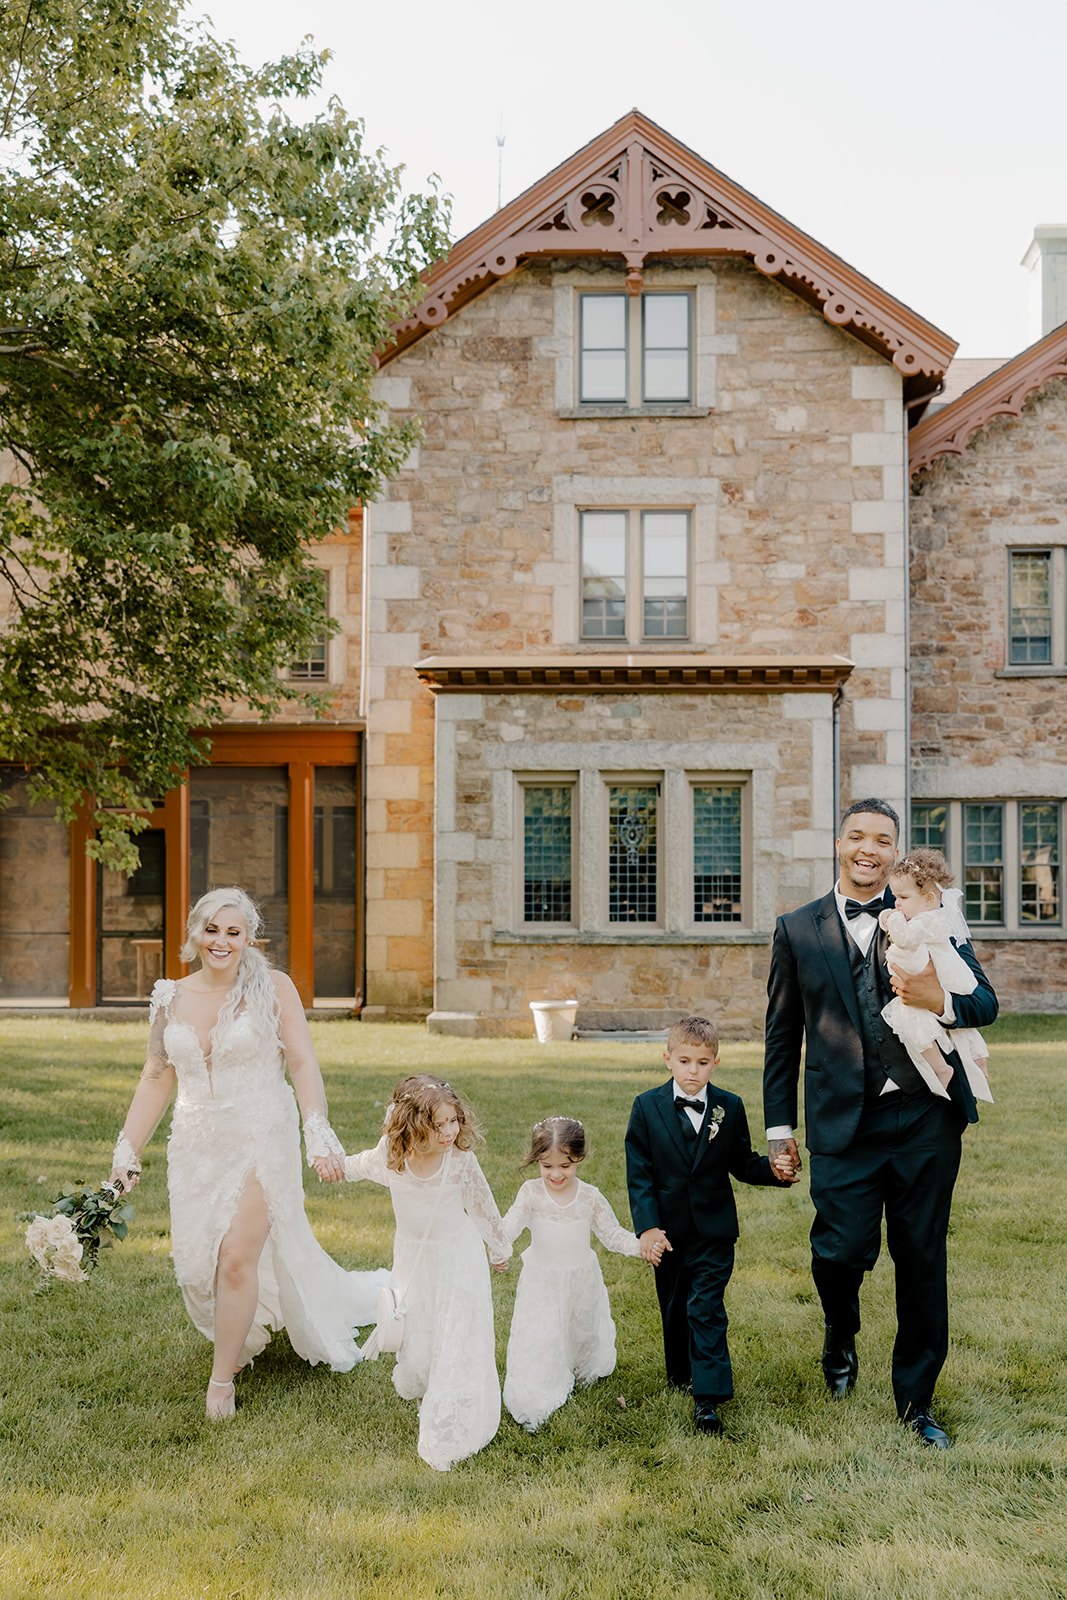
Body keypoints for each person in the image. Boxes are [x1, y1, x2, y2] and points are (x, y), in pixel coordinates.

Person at [762, 799, 998, 1449]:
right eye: (857, 836)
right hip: (843, 1123)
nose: (869, 848)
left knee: (921, 1258)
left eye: (883, 839)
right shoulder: (796, 929)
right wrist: (778, 1130)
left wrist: (939, 1001)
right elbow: (781, 1038)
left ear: (896, 851)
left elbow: (983, 1001)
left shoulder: (931, 911)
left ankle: (915, 1402)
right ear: (838, 844)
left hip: (925, 1114)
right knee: (837, 1254)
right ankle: (840, 1333)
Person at [108, 887, 387, 1421]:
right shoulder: (169, 997)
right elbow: (156, 1076)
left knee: (236, 1258)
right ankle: (246, 1327)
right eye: (212, 929)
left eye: (233, 932)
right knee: (198, 1269)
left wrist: (317, 1129)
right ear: (194, 934)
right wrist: (127, 1150)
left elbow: (302, 1062)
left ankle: (221, 1382)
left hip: (264, 1134)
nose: (221, 941)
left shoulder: (272, 988)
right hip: (197, 1146)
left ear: (248, 938)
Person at [625, 1016, 796, 1435]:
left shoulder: (729, 1107)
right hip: (667, 1233)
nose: (692, 1071)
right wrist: (647, 1228)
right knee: (675, 1307)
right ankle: (681, 1375)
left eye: (702, 1063)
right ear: (667, 1059)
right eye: (684, 1061)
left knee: (705, 1308)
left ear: (715, 1063)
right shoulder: (646, 1107)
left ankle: (708, 1400)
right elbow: (640, 1175)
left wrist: (774, 1170)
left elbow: (741, 1163)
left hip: (715, 1232)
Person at [342, 1073, 511, 1471]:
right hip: (415, 1260)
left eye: (454, 1121)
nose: (450, 1131)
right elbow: (359, 1164)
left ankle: (449, 1412)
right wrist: (336, 1166)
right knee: (417, 1334)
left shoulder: (459, 1162)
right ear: (414, 1124)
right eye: (439, 1125)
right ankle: (425, 1394)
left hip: (458, 1260)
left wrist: (498, 1248)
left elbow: (484, 1206)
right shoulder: (392, 1156)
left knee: (455, 1334)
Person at [501, 1116, 642, 1432]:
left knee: (581, 1331)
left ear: (578, 1157)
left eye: (565, 1165)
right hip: (542, 1282)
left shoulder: (589, 1196)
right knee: (542, 1336)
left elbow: (612, 1234)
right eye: (546, 1166)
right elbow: (508, 1227)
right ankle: (534, 1402)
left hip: (581, 1280)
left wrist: (640, 1247)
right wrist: (498, 1249)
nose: (555, 1174)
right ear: (537, 1161)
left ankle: (580, 1368)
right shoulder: (531, 1193)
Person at [879, 850, 993, 1106]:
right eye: (895, 898)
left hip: (945, 979)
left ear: (929, 898)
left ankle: (944, 1069)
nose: (897, 903)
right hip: (939, 975)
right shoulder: (919, 910)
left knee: (912, 1023)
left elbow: (986, 1004)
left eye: (902, 898)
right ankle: (976, 1062)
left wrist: (889, 917)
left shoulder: (930, 919)